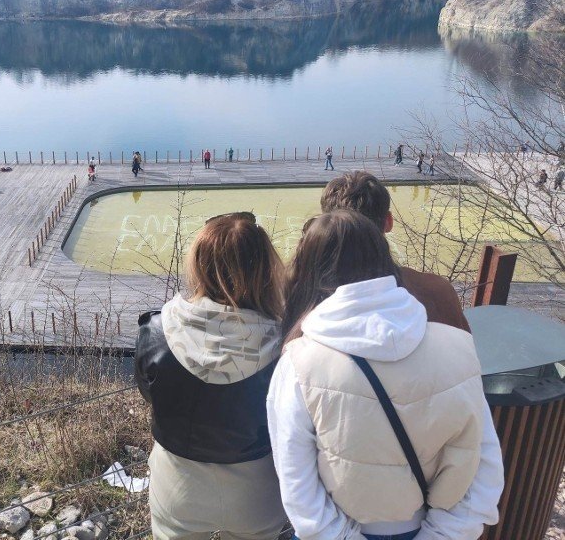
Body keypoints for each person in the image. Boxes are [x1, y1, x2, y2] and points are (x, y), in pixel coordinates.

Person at [268, 210, 504, 540]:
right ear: (384, 258)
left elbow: (297, 486)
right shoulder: (457, 347)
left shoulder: (299, 362)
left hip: (335, 532)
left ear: (309, 273)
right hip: (433, 527)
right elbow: (485, 469)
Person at [135, 212, 288, 540]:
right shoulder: (284, 343)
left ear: (200, 265)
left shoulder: (157, 330)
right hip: (258, 492)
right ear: (264, 269)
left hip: (179, 485)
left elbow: (151, 392)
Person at [320, 171, 470, 330]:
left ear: (326, 226)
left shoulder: (305, 297)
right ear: (389, 222)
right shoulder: (437, 291)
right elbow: (465, 346)